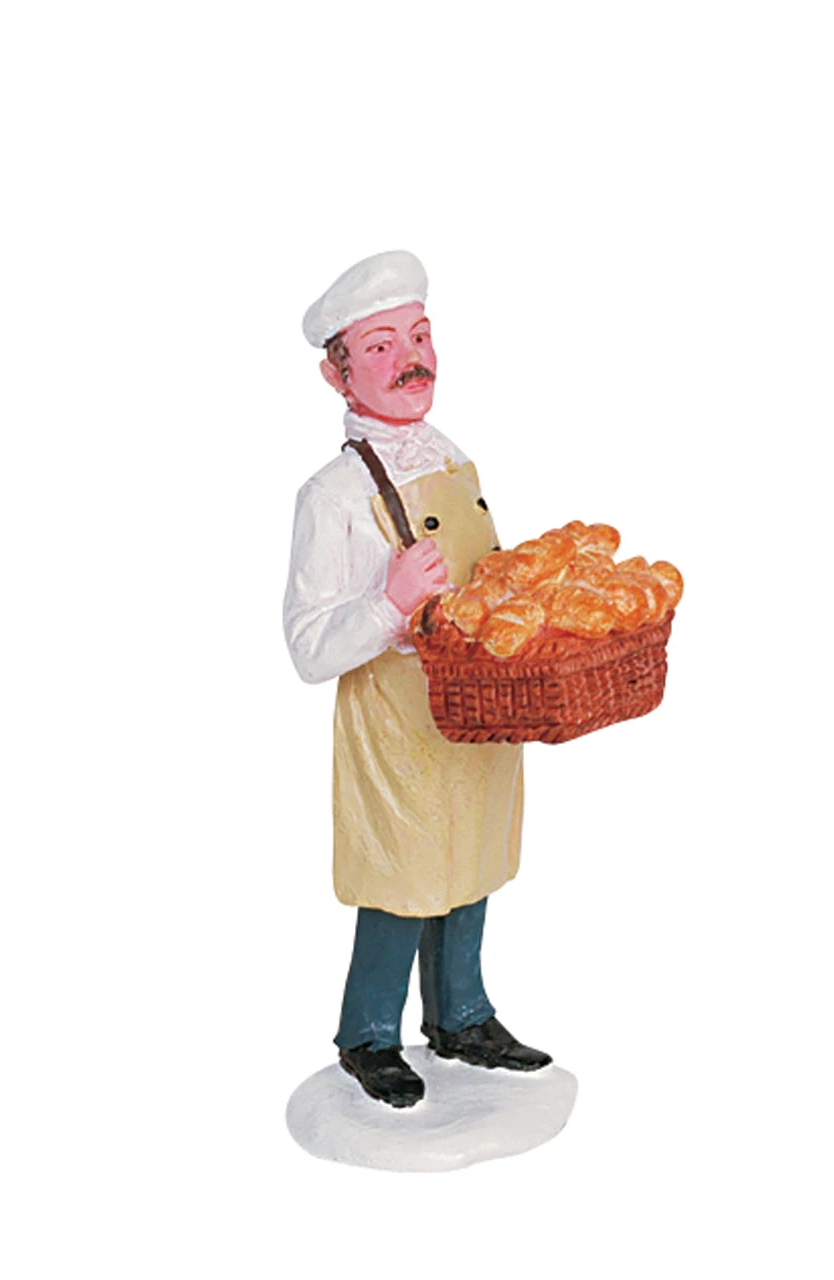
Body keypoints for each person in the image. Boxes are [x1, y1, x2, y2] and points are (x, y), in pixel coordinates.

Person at [283, 250, 551, 1108]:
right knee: (400, 878)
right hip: (398, 725)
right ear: (338, 374)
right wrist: (389, 605)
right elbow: (307, 649)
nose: (413, 359)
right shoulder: (331, 496)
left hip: (476, 710)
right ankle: (368, 1034)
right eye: (382, 345)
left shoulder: (455, 458)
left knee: (473, 860)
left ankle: (462, 1015)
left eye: (421, 336)